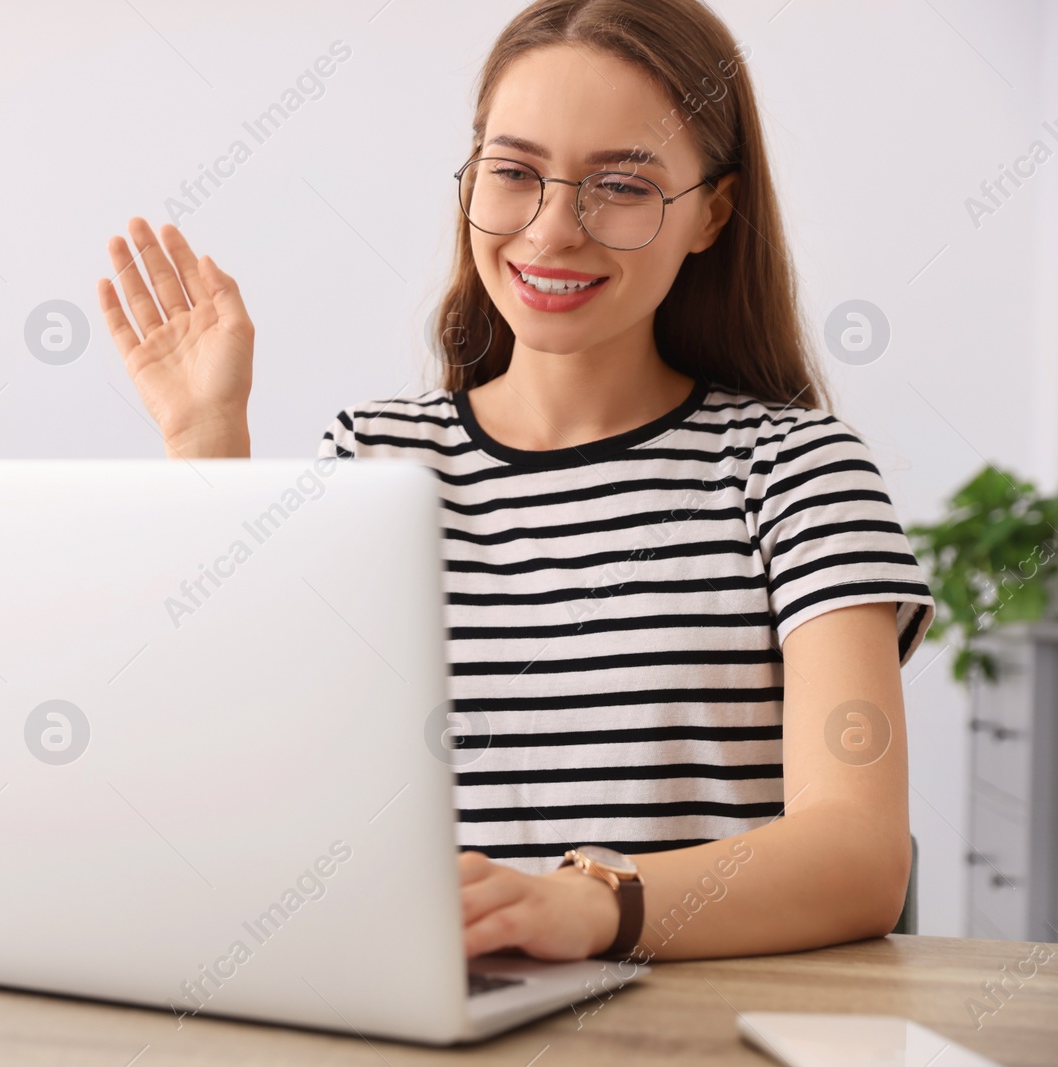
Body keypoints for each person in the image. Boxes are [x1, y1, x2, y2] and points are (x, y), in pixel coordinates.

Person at [96, 0, 935, 965]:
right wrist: (205, 443)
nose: (550, 231)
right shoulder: (373, 459)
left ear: (712, 212)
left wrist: (585, 907)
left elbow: (860, 855)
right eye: (514, 173)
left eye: (620, 185)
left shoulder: (798, 474)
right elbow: (240, 788)